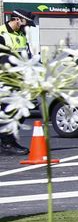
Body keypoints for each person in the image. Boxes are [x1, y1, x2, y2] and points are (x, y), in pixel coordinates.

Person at [1, 11, 32, 153]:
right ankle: (8, 143)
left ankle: (8, 141)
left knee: (21, 110)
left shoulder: (21, 35)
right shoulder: (2, 34)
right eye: (26, 22)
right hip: (5, 78)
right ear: (18, 19)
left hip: (19, 79)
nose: (28, 26)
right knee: (9, 110)